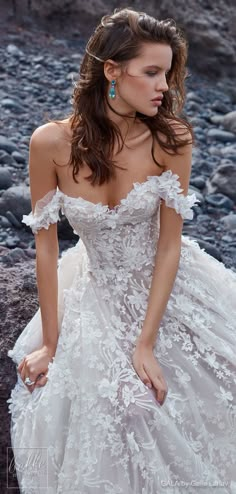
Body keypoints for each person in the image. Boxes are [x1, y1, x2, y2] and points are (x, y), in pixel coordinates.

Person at [7, 7, 236, 494]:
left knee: (182, 399)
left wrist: (145, 343)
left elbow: (170, 244)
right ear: (112, 70)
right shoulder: (49, 143)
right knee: (98, 406)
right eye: (152, 72)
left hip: (166, 285)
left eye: (168, 74)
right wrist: (50, 340)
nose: (164, 88)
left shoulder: (171, 139)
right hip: (96, 288)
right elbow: (45, 248)